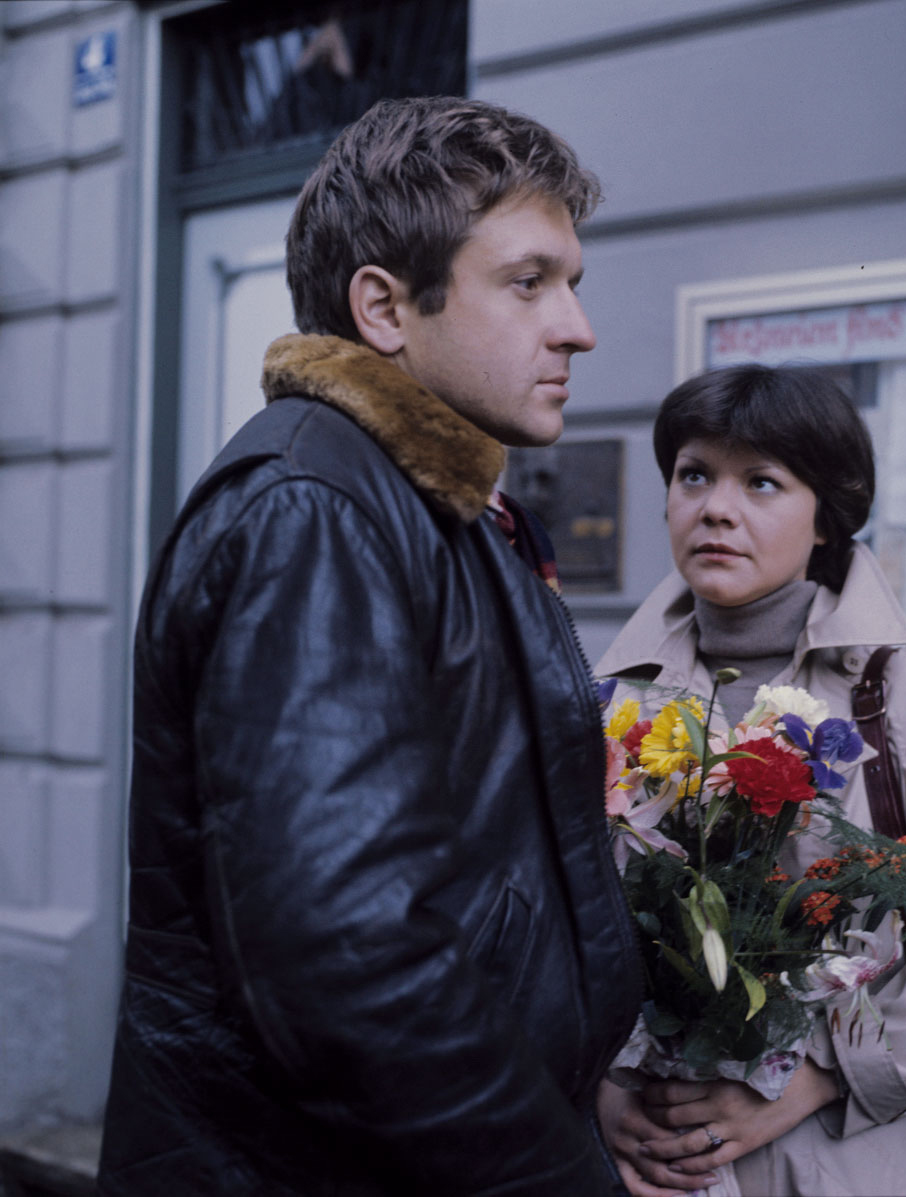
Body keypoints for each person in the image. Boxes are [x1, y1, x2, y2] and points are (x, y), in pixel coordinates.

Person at [98, 96, 643, 1196]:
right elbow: (347, 957)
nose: (577, 327)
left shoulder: (438, 503)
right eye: (529, 282)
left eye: (572, 282)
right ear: (385, 308)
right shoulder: (316, 510)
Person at [595, 364, 906, 1196]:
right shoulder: (606, 699)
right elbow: (550, 929)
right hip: (650, 1155)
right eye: (693, 475)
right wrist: (600, 1095)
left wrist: (811, 1076)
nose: (715, 508)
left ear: (825, 517)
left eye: (761, 482)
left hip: (847, 1155)